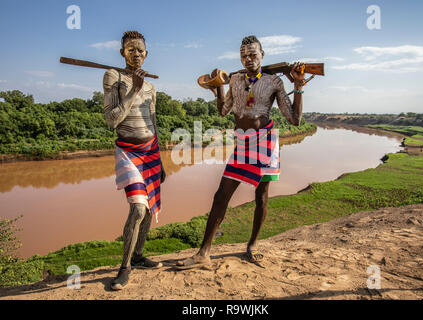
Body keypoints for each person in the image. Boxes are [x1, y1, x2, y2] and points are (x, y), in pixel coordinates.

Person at [176, 35, 311, 269]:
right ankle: (203, 253)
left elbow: (295, 120)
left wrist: (298, 86)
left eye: (253, 54)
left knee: (261, 197)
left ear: (262, 56)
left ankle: (252, 245)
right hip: (243, 143)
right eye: (244, 55)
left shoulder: (274, 82)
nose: (248, 59)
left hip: (265, 142)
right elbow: (223, 111)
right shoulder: (235, 80)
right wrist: (217, 87)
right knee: (221, 196)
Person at [103, 30, 166, 290]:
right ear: (122, 53)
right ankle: (124, 267)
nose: (136, 54)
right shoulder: (113, 77)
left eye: (140, 50)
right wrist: (133, 90)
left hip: (151, 151)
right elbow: (111, 120)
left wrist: (160, 160)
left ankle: (139, 256)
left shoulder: (151, 86)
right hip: (129, 152)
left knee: (149, 207)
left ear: (146, 54)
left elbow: (153, 122)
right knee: (138, 208)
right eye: (131, 49)